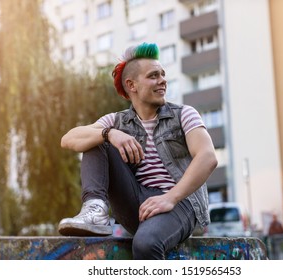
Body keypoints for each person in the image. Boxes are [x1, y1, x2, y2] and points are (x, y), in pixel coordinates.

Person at [57, 42, 218, 260]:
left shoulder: (184, 115)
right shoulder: (117, 121)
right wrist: (110, 134)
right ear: (132, 85)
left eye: (163, 74)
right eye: (153, 76)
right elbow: (69, 139)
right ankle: (95, 210)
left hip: (180, 204)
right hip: (138, 205)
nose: (162, 80)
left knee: (145, 245)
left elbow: (208, 157)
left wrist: (170, 198)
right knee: (95, 138)